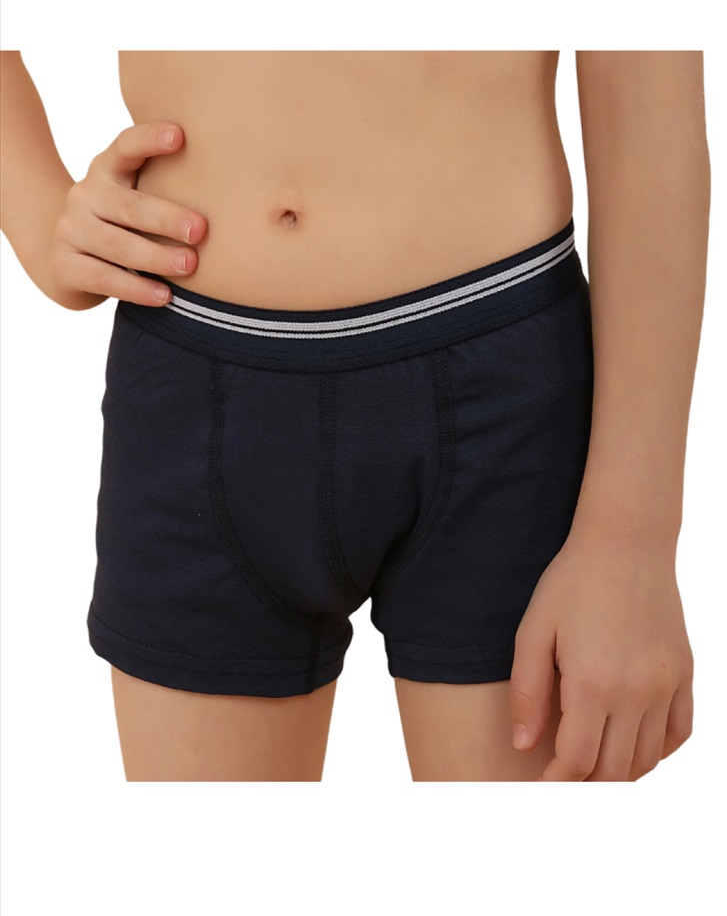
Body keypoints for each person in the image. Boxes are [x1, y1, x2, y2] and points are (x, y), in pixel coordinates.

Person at [0, 50, 708, 782]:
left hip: (499, 397)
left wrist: (632, 541)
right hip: (192, 382)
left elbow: (647, 106)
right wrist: (39, 212)